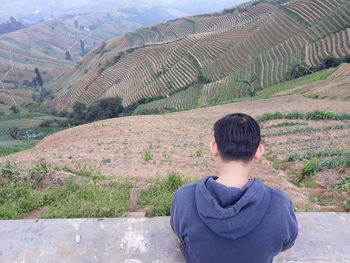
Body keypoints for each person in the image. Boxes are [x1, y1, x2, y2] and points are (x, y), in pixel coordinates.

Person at [170, 113, 298, 263]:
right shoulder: (279, 203)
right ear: (258, 151)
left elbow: (179, 231)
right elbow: (287, 243)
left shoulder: (185, 197)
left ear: (214, 148)